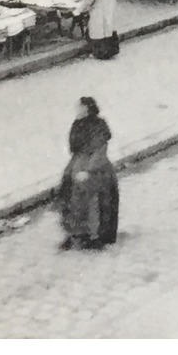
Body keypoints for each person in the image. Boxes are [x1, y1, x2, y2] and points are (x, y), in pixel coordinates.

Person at [58, 97, 119, 251]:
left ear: (87, 109)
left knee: (92, 197)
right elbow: (74, 148)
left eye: (80, 107)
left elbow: (100, 151)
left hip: (96, 166)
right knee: (68, 190)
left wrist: (88, 171)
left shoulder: (98, 125)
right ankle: (75, 233)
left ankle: (95, 235)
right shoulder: (77, 124)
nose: (77, 110)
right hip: (78, 162)